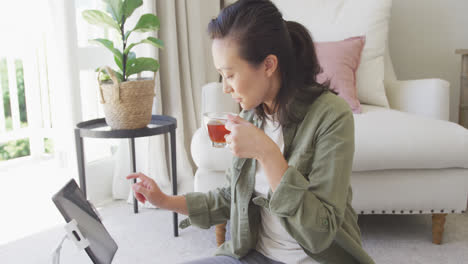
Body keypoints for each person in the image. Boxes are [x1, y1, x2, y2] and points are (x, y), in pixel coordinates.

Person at [126, 0, 375, 263]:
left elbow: (320, 232)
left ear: (268, 65)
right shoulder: (251, 117)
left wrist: (267, 154)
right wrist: (164, 200)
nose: (225, 88)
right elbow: (230, 197)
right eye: (221, 75)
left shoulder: (331, 116)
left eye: (230, 75)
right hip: (254, 255)